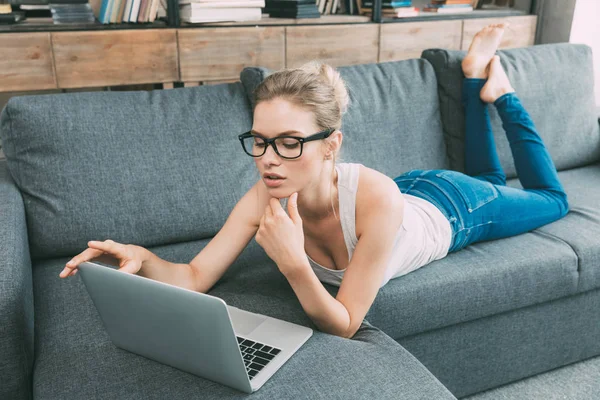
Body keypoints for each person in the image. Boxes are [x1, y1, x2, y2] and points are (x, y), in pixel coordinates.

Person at [59, 23, 569, 339]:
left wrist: (293, 262)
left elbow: (345, 324)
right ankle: (475, 75)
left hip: (457, 207)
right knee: (484, 170)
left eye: (288, 142)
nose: (267, 160)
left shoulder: (375, 197)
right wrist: (141, 257)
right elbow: (193, 277)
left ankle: (500, 93)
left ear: (331, 144)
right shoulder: (265, 195)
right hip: (415, 190)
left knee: (550, 199)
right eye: (258, 140)